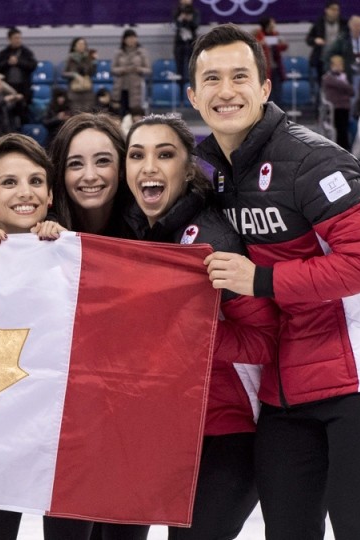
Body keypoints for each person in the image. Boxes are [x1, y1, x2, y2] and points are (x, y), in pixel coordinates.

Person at [188, 23, 360, 540]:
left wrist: (260, 279)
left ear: (265, 88)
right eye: (213, 79)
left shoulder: (314, 159)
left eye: (240, 76)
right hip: (283, 385)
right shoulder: (211, 172)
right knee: (288, 529)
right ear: (193, 96)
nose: (227, 91)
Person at [123, 113, 277, 540]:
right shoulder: (135, 230)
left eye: (165, 154)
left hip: (227, 432)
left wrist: (187, 332)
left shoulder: (212, 238)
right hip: (162, 433)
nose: (149, 166)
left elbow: (263, 343)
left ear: (188, 167)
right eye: (137, 155)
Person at [0, 133, 93, 540]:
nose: (25, 193)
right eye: (9, 183)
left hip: (62, 430)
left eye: (36, 181)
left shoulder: (70, 251)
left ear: (52, 194)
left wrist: (59, 244)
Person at [48, 112, 151, 540]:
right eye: (75, 164)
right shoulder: (40, 236)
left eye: (103, 161)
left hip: (133, 422)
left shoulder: (153, 230)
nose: (89, 176)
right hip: (64, 427)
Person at [0, 27, 37, 122]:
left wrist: (18, 62)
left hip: (23, 88)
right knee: (7, 115)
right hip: (8, 88)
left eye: (19, 38)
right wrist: (7, 63)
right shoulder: (4, 53)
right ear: (9, 39)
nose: (18, 40)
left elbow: (33, 66)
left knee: (23, 114)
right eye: (15, 38)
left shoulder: (26, 52)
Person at [325, 14, 360, 89]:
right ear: (350, 26)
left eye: (359, 25)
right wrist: (338, 64)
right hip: (348, 74)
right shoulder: (343, 39)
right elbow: (329, 55)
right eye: (355, 25)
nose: (357, 28)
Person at [305, 1, 347, 97]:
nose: (335, 12)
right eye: (333, 9)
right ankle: (319, 107)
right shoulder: (319, 23)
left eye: (337, 10)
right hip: (322, 60)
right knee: (321, 87)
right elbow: (308, 39)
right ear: (326, 10)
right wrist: (316, 40)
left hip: (338, 61)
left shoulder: (343, 24)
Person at [111, 29, 151, 119]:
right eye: (129, 38)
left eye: (133, 38)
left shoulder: (142, 52)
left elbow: (148, 70)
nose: (131, 40)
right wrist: (123, 69)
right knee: (121, 113)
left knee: (135, 113)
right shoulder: (118, 52)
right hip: (121, 86)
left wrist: (138, 69)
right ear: (124, 40)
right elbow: (113, 69)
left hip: (136, 87)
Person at [321, 54, 356, 150]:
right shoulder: (328, 78)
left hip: (345, 108)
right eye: (337, 65)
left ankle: (345, 151)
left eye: (341, 65)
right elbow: (345, 88)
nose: (339, 67)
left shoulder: (344, 77)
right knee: (337, 131)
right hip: (335, 108)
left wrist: (345, 87)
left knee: (344, 132)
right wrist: (345, 87)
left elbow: (352, 92)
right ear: (332, 66)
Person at [255, 17, 288, 107]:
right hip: (265, 70)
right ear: (267, 25)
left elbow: (283, 47)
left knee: (278, 94)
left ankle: (279, 115)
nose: (274, 25)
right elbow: (254, 48)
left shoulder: (275, 34)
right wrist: (261, 43)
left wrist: (281, 43)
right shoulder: (258, 35)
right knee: (267, 94)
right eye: (272, 23)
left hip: (276, 68)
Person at [63, 37, 97, 112]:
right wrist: (74, 75)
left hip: (87, 91)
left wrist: (94, 62)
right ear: (74, 46)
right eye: (79, 44)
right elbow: (63, 74)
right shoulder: (70, 58)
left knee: (87, 114)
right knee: (76, 114)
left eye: (83, 44)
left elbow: (92, 73)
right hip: (74, 91)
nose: (82, 46)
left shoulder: (88, 58)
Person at [172, 0, 200, 87]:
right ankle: (179, 89)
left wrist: (190, 20)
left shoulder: (195, 12)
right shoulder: (176, 12)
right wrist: (181, 19)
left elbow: (196, 25)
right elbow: (175, 26)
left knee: (192, 66)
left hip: (191, 43)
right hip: (180, 43)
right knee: (179, 68)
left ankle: (192, 87)